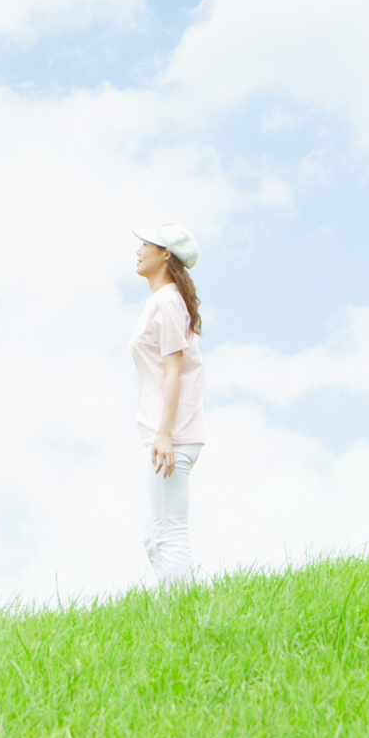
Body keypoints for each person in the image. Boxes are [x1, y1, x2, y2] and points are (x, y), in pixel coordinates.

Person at [129, 221, 207, 586]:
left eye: (146, 244)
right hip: (162, 433)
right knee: (153, 537)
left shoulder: (169, 302)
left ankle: (184, 611)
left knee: (169, 534)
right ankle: (173, 609)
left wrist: (165, 435)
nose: (138, 250)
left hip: (172, 434)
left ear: (165, 254)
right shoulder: (161, 301)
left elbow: (173, 371)